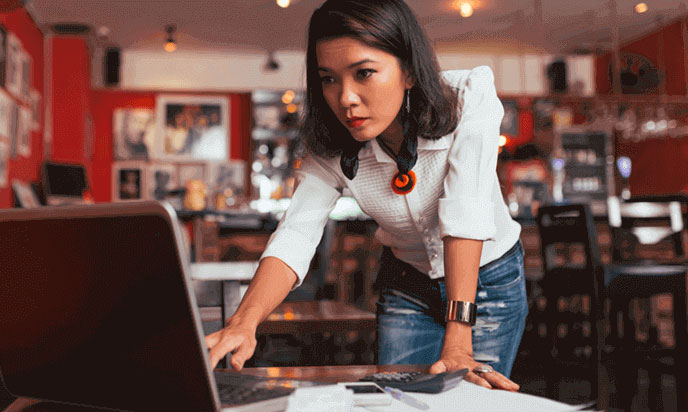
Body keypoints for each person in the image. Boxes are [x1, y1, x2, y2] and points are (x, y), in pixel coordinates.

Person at [206, 0, 526, 391]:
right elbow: (295, 234)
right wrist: (243, 323)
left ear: (409, 70)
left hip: (487, 281)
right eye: (328, 79)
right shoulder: (328, 147)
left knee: (469, 403)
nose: (345, 98)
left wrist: (459, 338)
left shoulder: (467, 97)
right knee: (396, 400)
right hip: (407, 283)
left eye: (364, 73)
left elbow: (466, 209)